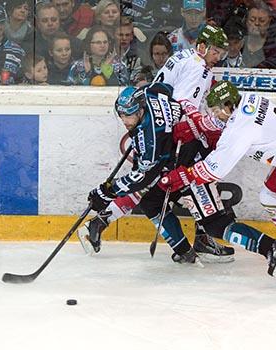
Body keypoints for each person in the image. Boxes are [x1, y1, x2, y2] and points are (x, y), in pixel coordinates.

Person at [85, 83, 276, 274]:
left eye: (129, 116)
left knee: (215, 223)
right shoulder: (150, 94)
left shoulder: (153, 138)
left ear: (140, 110)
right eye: (121, 115)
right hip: (179, 160)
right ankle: (184, 250)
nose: (125, 121)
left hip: (195, 167)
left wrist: (105, 193)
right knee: (151, 202)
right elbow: (163, 87)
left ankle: (273, 248)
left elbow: (142, 178)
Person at [77, 25, 241, 264]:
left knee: (151, 181)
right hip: (171, 132)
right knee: (190, 179)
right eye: (216, 52)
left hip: (154, 122)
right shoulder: (197, 68)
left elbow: (162, 90)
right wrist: (200, 127)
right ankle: (203, 238)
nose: (218, 57)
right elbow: (183, 106)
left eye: (221, 53)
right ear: (203, 47)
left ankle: (100, 222)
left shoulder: (186, 56)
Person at [160, 80, 276, 298]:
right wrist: (197, 126)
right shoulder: (248, 100)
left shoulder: (241, 128)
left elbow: (215, 169)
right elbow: (224, 124)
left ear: (227, 106)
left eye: (216, 111)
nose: (214, 116)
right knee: (268, 197)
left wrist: (186, 175)